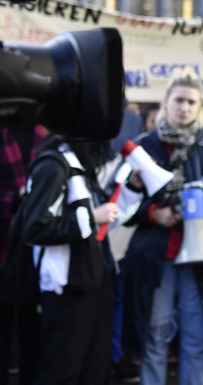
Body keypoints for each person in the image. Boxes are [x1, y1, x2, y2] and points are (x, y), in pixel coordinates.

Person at [122, 70, 203, 384]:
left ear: (199, 106)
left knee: (195, 334)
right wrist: (153, 213)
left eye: (191, 102)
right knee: (156, 333)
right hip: (156, 256)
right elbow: (121, 205)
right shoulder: (143, 148)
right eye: (179, 100)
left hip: (201, 260)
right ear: (166, 102)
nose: (184, 108)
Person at [20, 134, 121, 385]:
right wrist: (91, 217)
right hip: (68, 290)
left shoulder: (81, 164)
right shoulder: (54, 165)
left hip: (96, 282)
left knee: (94, 371)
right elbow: (35, 228)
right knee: (61, 372)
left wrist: (133, 188)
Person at [0, 125, 48, 385]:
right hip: (5, 248)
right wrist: (14, 199)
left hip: (36, 252)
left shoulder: (48, 135)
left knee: (32, 331)